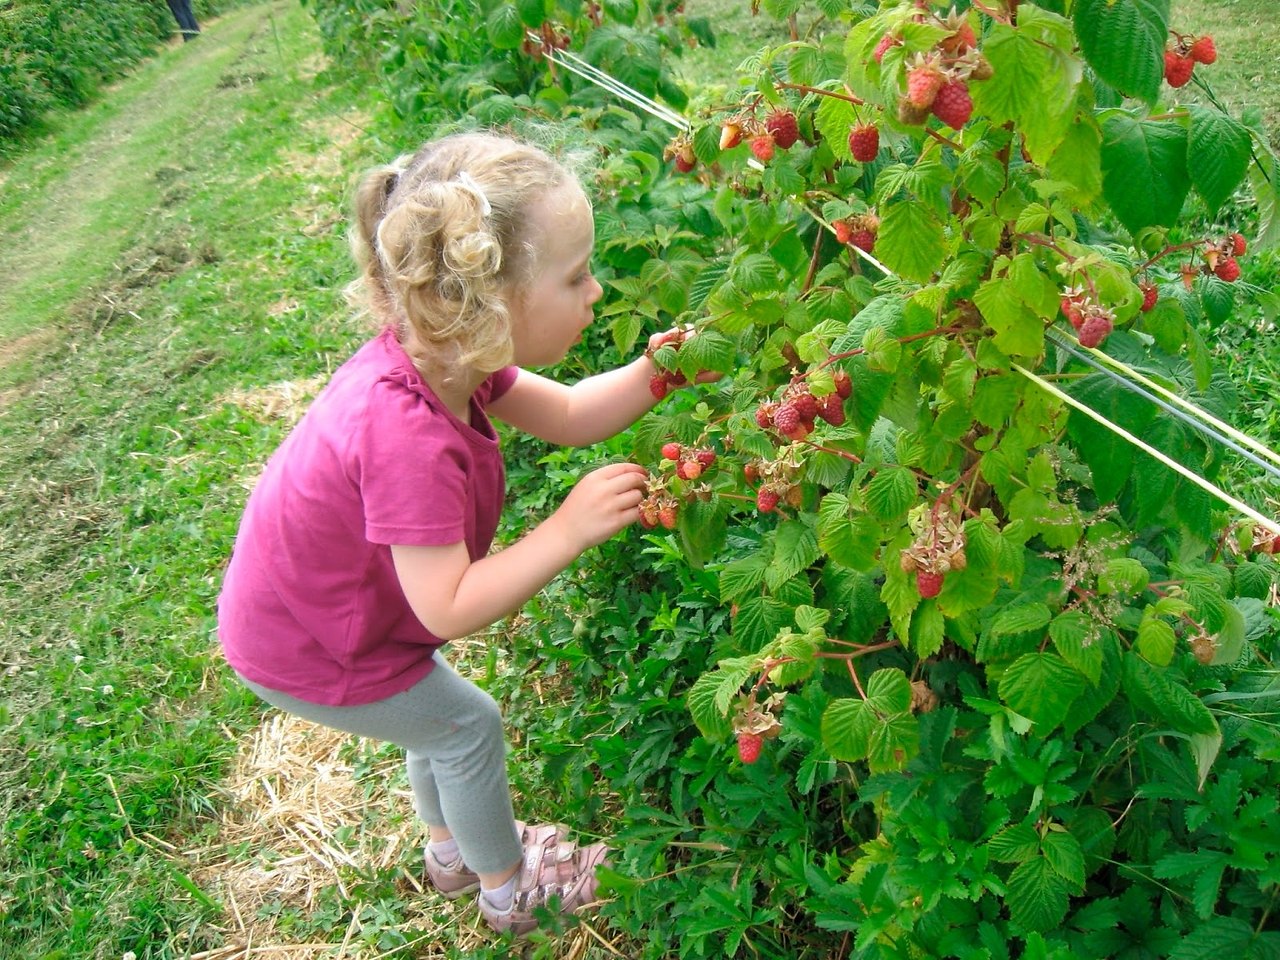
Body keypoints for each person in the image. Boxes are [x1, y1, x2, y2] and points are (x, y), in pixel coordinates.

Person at [216, 131, 710, 936]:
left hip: (331, 615)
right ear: (490, 300)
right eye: (576, 276)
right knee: (462, 722)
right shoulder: (403, 432)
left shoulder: (453, 355)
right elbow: (447, 604)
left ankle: (449, 850)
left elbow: (576, 413)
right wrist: (566, 528)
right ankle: (506, 885)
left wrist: (664, 369)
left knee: (432, 713)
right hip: (307, 647)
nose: (596, 292)